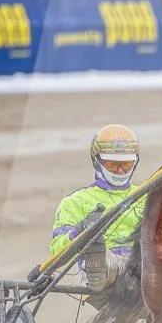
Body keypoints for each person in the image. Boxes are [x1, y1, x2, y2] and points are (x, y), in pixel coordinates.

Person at [49, 124, 144, 291]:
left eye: (127, 164)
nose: (121, 171)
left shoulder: (147, 194)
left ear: (136, 162)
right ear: (96, 160)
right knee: (101, 255)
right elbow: (57, 250)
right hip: (103, 272)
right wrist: (79, 231)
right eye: (113, 165)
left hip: (148, 266)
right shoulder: (75, 201)